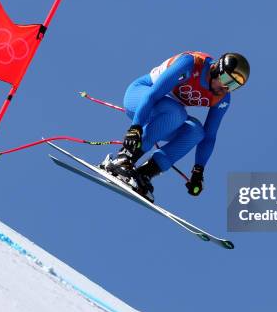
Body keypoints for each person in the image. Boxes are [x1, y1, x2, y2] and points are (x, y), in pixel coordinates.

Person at [101, 51, 250, 201]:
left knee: (197, 132)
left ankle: (145, 173)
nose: (225, 87)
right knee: (177, 113)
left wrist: (198, 171)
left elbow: (210, 136)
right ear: (216, 69)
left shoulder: (222, 98)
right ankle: (123, 159)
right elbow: (152, 95)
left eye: (233, 85)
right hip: (141, 97)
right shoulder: (191, 63)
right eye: (226, 79)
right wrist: (135, 128)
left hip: (167, 119)